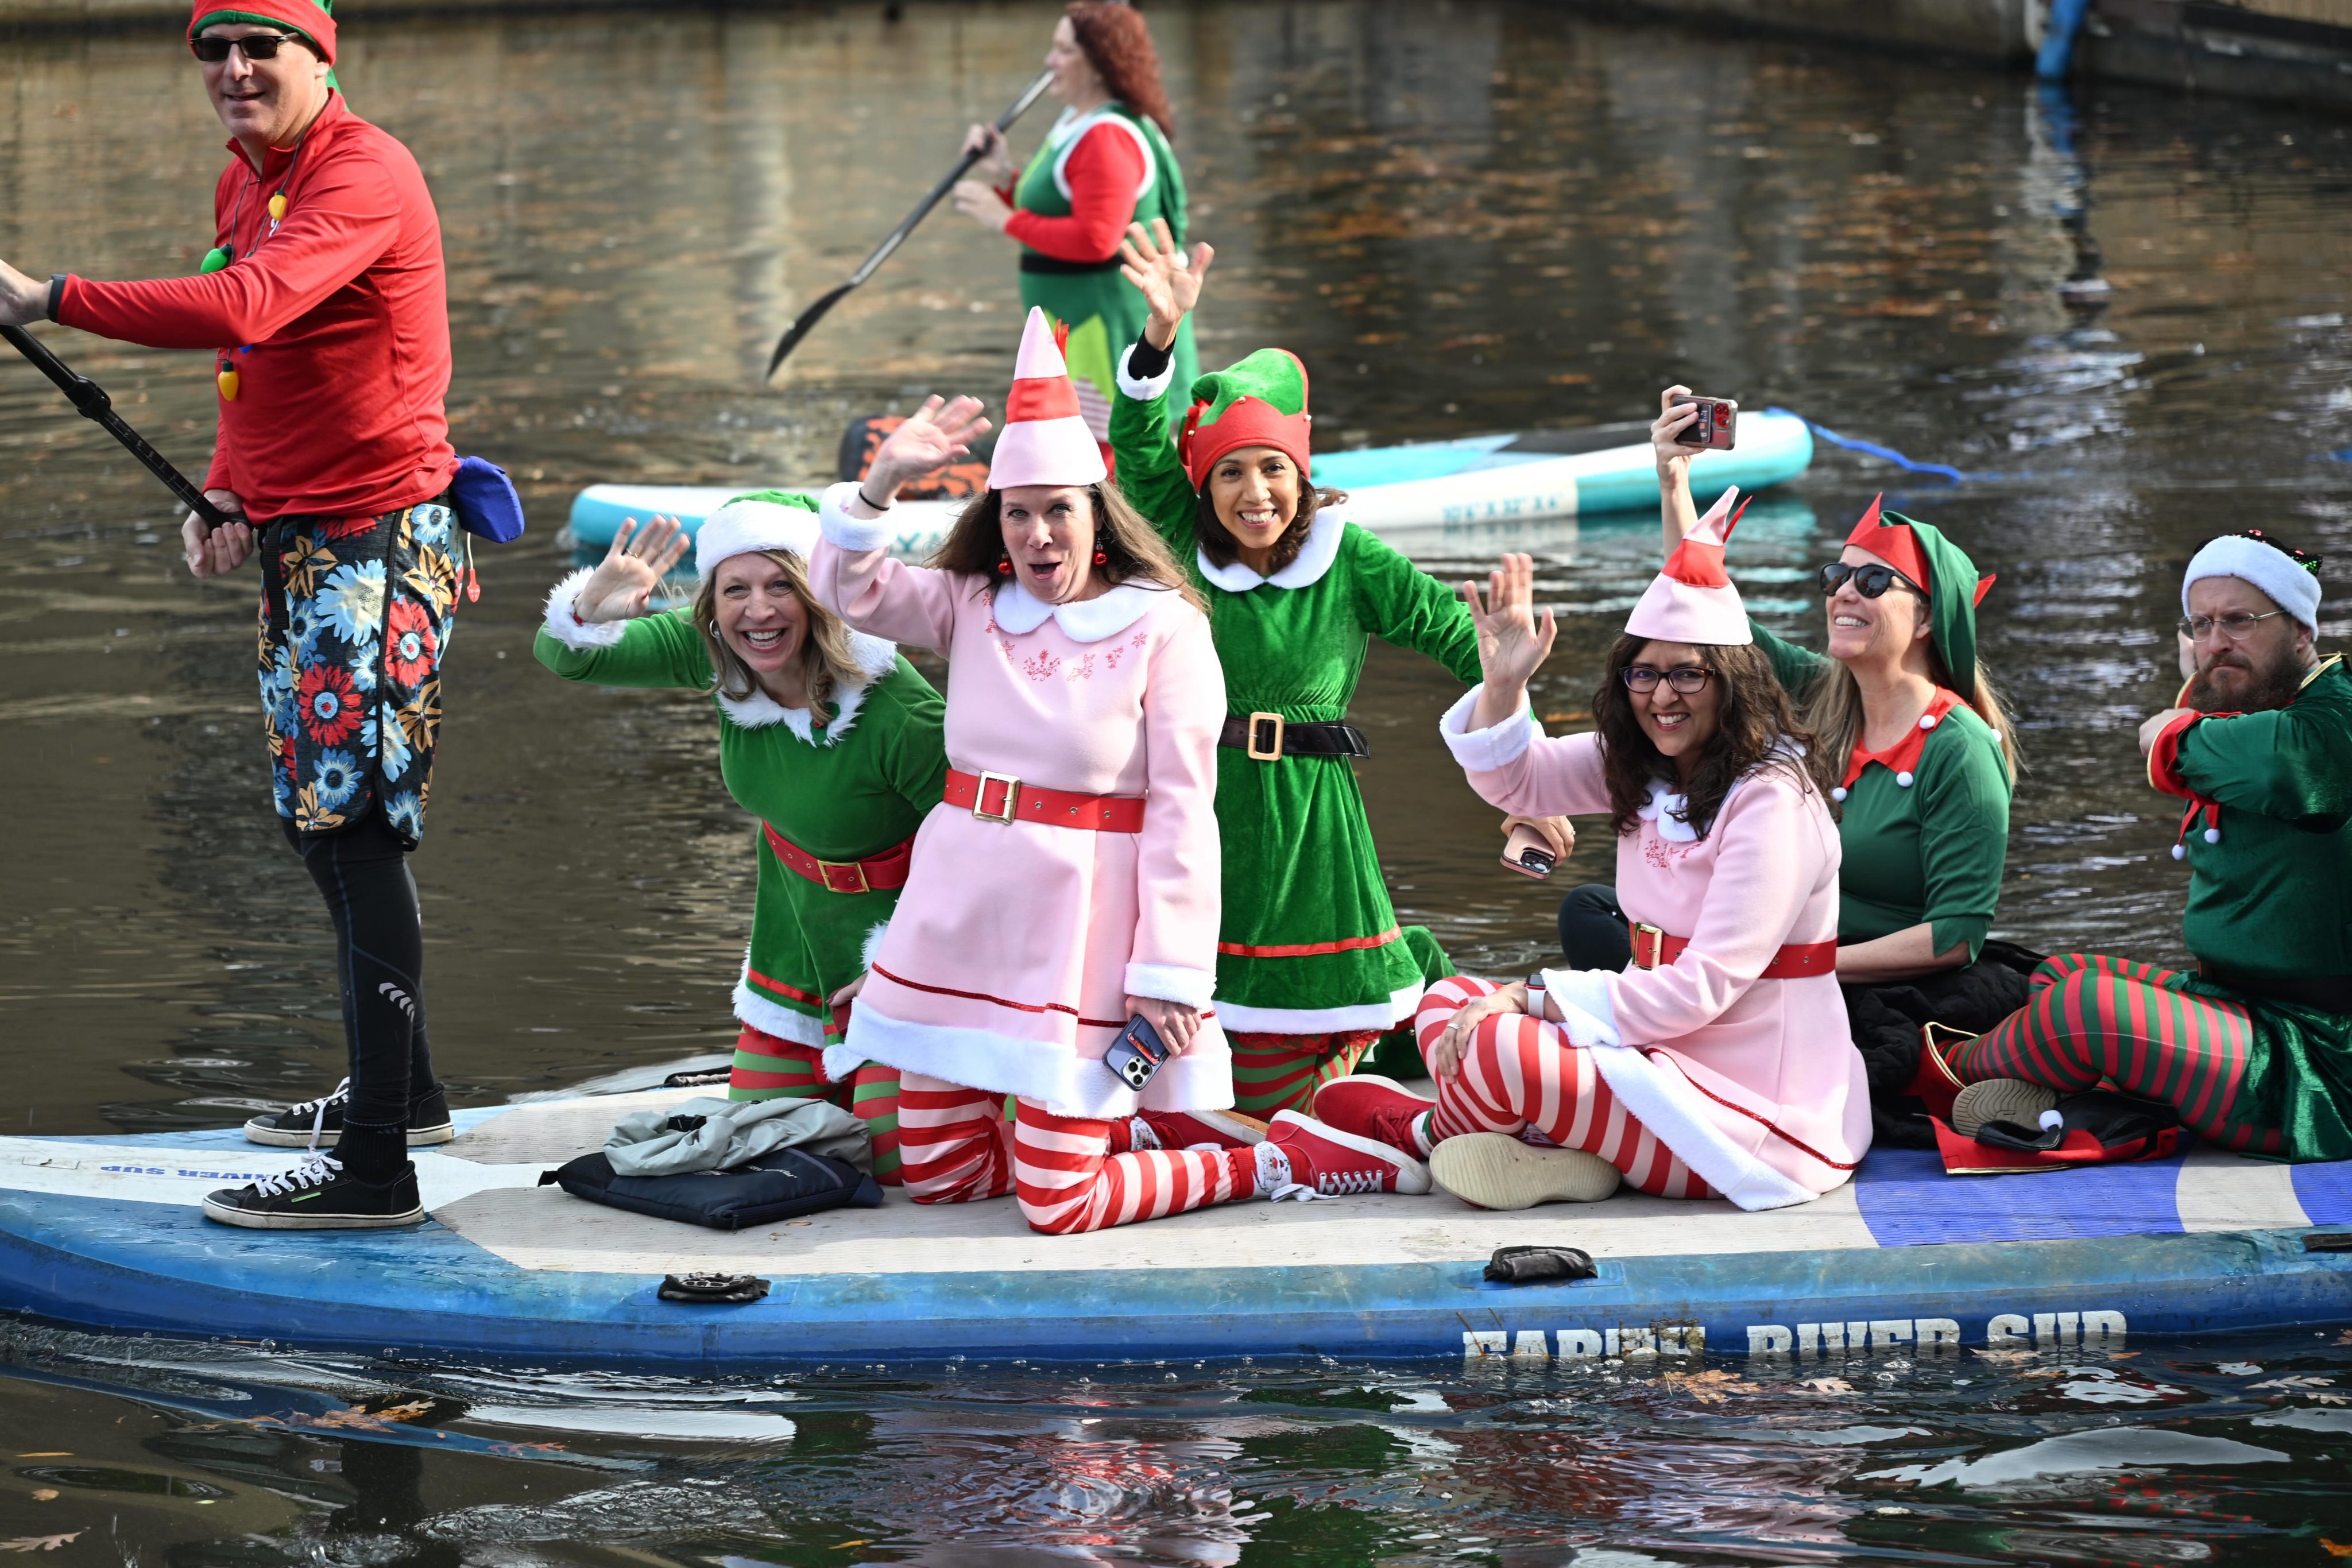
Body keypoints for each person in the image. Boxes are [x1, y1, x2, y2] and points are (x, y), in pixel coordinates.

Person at [807, 308, 1429, 1233]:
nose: (1037, 534)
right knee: (941, 1177)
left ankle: (1272, 1158)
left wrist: (1170, 971)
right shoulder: (972, 600)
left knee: (1057, 1203)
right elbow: (844, 589)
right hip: (960, 919)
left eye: (1059, 509)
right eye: (1018, 513)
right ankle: (1141, 1135)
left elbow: (1186, 806)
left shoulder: (1164, 625)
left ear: (1099, 517)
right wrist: (883, 482)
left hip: (1085, 932)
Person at [0, 3, 465, 1229]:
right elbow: (255, 366)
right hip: (303, 542)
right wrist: (227, 488)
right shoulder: (246, 180)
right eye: (213, 48)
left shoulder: (363, 172)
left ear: (324, 61)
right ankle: (402, 1092)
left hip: (378, 546)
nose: (235, 69)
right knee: (318, 826)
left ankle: (377, 1169)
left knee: (357, 834)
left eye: (263, 46)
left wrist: (52, 296)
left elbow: (250, 305)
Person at [1309, 497, 1870, 1210]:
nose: (1661, 696)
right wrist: (1505, 683)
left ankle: (1417, 1140)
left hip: (1756, 1119)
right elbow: (1517, 778)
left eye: (1687, 675)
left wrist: (1531, 996)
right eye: (1644, 674)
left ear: (1734, 681)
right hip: (1657, 1055)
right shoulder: (1643, 765)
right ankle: (1559, 1153)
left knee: (1498, 1042)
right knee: (1449, 1000)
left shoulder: (1772, 799)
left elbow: (1698, 991)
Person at [1553, 389, 2026, 1148]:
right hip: (1766, 954)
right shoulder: (1816, 694)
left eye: (1872, 582)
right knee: (1593, 911)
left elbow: (1953, 937)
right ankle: (1683, 1043)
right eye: (1836, 576)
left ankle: (1692, 1066)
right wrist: (1672, 479)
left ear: (1930, 617)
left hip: (1886, 980)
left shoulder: (1960, 747)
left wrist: (1808, 965)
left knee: (1851, 1055)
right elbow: (1702, 607)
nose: (1843, 590)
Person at [1105, 221, 1489, 1115]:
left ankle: (1410, 1045)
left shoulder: (1348, 558)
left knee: (1312, 1028)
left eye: (1273, 468)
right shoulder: (1177, 541)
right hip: (1199, 795)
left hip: (1315, 816)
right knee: (1200, 1012)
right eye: (1231, 472)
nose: (1255, 492)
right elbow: (1138, 440)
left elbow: (1459, 638)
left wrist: (1524, 745)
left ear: (1302, 473)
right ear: (1206, 487)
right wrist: (1159, 335)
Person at [533, 495, 951, 1186]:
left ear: (818, 594)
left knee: (893, 1162)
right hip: (790, 962)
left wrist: (905, 965)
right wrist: (589, 612)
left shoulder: (900, 713)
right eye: (737, 590)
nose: (759, 611)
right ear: (714, 605)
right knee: (760, 1147)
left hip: (903, 972)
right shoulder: (721, 654)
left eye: (781, 584)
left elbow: (984, 849)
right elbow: (567, 659)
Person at [1952, 531, 2352, 1160]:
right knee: (2059, 974)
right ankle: (2047, 1088)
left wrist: (2170, 732)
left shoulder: (2336, 716)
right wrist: (2202, 686)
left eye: (2240, 621)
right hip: (2242, 1008)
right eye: (2202, 624)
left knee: (2088, 1007)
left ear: (2302, 631)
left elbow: (2293, 772)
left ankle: (1930, 1068)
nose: (2217, 641)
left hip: (2323, 1061)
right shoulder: (2254, 707)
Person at [953, 2, 1193, 454]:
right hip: (1081, 324)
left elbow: (1095, 239)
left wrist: (1005, 219)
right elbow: (1064, 205)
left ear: (1100, 62)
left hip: (1105, 329)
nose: (1050, 61)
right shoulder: (1077, 124)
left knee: (1108, 452)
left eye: (1063, 51)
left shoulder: (1108, 136)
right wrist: (1004, 176)